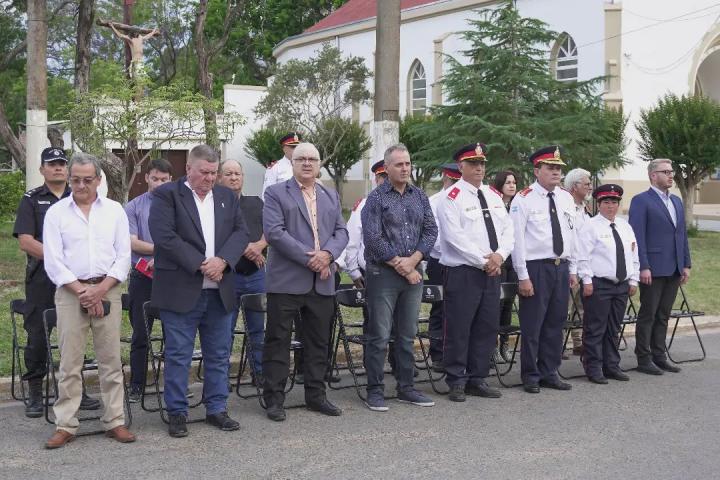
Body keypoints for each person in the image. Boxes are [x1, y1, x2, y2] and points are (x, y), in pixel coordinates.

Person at [149, 145, 249, 438]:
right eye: (203, 172)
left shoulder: (227, 197)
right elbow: (164, 237)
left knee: (219, 353)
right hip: (181, 288)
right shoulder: (167, 195)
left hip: (219, 290)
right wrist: (202, 263)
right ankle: (177, 412)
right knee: (179, 354)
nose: (208, 178)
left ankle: (217, 408)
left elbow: (241, 233)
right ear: (188, 169)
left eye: (213, 173)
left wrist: (224, 261)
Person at [42, 152, 134, 448]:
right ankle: (66, 424)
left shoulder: (114, 210)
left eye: (87, 179)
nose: (81, 185)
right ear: (69, 179)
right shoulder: (56, 213)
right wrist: (83, 291)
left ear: (98, 180)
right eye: (76, 179)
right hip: (70, 293)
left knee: (111, 361)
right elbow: (54, 262)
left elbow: (123, 257)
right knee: (70, 362)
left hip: (108, 288)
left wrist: (100, 289)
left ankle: (115, 421)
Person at [261, 142, 348, 421]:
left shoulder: (330, 195)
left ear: (319, 163)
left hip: (322, 281)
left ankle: (316, 395)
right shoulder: (275, 193)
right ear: (293, 163)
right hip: (287, 281)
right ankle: (274, 399)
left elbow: (341, 232)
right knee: (278, 341)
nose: (307, 163)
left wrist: (328, 255)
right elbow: (275, 233)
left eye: (312, 159)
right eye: (302, 159)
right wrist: (310, 258)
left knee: (318, 341)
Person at [13, 147, 102, 418]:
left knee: (74, 336)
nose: (58, 168)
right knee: (38, 336)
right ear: (42, 169)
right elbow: (26, 241)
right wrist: (58, 259)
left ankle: (76, 391)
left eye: (62, 163)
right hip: (42, 280)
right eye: (51, 164)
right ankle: (37, 393)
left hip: (75, 280)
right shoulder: (31, 199)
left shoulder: (79, 197)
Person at [362, 143, 438, 412]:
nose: (405, 168)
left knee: (407, 335)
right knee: (379, 335)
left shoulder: (420, 196)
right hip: (383, 274)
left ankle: (406, 387)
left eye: (407, 163)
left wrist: (414, 260)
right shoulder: (376, 199)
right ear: (387, 167)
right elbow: (372, 237)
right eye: (399, 164)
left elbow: (430, 231)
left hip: (413, 273)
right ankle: (375, 390)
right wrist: (400, 264)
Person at [436, 143, 514, 402]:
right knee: (459, 326)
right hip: (464, 272)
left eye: (482, 163)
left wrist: (500, 255)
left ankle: (477, 377)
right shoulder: (452, 197)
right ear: (461, 167)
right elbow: (454, 237)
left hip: (492, 271)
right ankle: (457, 379)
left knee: (486, 325)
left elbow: (507, 230)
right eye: (473, 163)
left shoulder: (492, 195)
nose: (479, 168)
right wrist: (484, 260)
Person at [510, 145, 577, 394]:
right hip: (536, 267)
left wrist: (573, 269)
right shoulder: (524, 198)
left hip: (560, 266)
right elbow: (517, 240)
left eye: (558, 168)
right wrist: (523, 276)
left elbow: (572, 235)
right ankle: (530, 374)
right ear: (537, 170)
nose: (556, 172)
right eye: (550, 168)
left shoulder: (566, 198)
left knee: (555, 322)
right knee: (533, 324)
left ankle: (550, 371)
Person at [628, 158, 691, 375]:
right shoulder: (641, 201)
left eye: (672, 171)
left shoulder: (676, 201)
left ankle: (659, 355)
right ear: (653, 176)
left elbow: (681, 235)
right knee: (649, 314)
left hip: (674, 267)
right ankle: (643, 358)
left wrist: (686, 264)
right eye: (666, 171)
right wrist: (643, 266)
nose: (671, 175)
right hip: (652, 268)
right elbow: (638, 236)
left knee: (664, 314)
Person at [577, 184, 639, 383]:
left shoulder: (625, 226)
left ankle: (611, 365)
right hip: (599, 284)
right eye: (606, 202)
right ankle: (593, 367)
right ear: (598, 203)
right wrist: (586, 280)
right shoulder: (590, 226)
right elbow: (582, 256)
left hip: (620, 284)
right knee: (595, 328)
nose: (610, 206)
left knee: (613, 328)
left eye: (614, 202)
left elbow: (633, 255)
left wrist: (633, 279)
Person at [124, 158, 173, 402]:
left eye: (164, 180)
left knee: (174, 333)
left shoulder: (179, 205)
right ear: (147, 178)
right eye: (155, 178)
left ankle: (174, 385)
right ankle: (136, 386)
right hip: (142, 277)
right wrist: (162, 251)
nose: (160, 183)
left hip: (172, 277)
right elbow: (132, 242)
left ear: (171, 180)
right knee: (140, 335)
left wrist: (163, 256)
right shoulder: (133, 207)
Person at [218, 159, 268, 386]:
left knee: (258, 330)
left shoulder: (256, 203)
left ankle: (259, 374)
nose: (234, 177)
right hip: (229, 276)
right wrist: (245, 248)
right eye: (228, 173)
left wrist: (258, 246)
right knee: (224, 331)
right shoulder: (215, 205)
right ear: (220, 178)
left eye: (237, 173)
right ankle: (221, 378)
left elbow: (273, 229)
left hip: (256, 275)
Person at [426, 163, 461, 372]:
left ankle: (456, 352)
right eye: (453, 181)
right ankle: (438, 353)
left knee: (459, 309)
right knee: (440, 308)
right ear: (445, 179)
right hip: (439, 261)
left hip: (462, 263)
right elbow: (433, 236)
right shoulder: (434, 202)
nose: (455, 185)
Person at [563, 168, 593, 357]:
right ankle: (557, 344)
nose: (590, 187)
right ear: (575, 187)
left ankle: (578, 341)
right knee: (563, 306)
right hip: (568, 265)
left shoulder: (585, 209)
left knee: (581, 306)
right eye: (586, 184)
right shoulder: (565, 207)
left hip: (585, 264)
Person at [492, 170, 518, 363]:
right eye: (508, 182)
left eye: (514, 182)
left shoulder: (517, 206)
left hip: (514, 262)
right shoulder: (494, 205)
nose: (512, 185)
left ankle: (505, 345)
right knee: (496, 304)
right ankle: (492, 346)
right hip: (499, 260)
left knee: (508, 304)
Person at [261, 132, 301, 200]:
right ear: (284, 148)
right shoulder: (275, 168)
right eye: (293, 147)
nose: (296, 149)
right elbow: (266, 195)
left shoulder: (304, 167)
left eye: (298, 147)